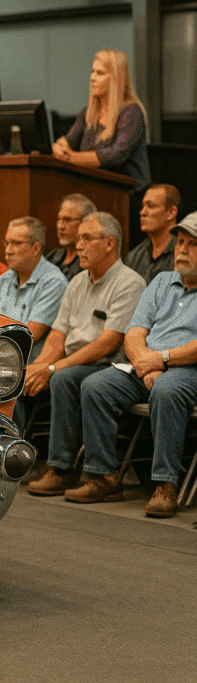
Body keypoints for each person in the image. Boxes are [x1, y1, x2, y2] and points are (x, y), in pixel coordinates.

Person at [65, 212, 197, 517]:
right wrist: (145, 363)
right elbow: (135, 333)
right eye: (181, 243)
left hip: (187, 369)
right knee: (95, 386)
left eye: (192, 245)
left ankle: (166, 484)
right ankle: (104, 476)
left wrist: (162, 360)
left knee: (166, 390)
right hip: (148, 363)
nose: (181, 250)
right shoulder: (163, 280)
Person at [25, 212, 147, 497]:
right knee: (47, 375)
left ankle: (89, 472)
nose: (78, 245)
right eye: (78, 238)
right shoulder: (78, 282)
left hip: (115, 366)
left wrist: (54, 369)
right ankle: (59, 469)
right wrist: (41, 366)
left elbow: (108, 342)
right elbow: (58, 335)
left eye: (87, 238)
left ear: (109, 244)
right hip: (77, 364)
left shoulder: (130, 283)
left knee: (65, 377)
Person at [52, 49, 151, 248]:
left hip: (127, 199)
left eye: (99, 73)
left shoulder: (131, 112)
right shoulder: (88, 113)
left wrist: (71, 158)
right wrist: (59, 148)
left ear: (115, 78)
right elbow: (65, 142)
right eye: (92, 71)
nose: (92, 78)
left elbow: (115, 155)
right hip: (94, 196)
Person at [0, 217, 69, 430]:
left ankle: (11, 448)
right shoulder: (5, 278)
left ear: (35, 248)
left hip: (27, 361)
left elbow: (29, 335)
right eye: (6, 243)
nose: (8, 250)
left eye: (16, 243)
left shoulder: (53, 281)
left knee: (0, 378)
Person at [125, 184, 180, 284]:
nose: (142, 212)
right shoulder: (134, 255)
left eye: (151, 206)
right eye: (143, 206)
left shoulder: (185, 252)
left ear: (171, 212)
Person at [44, 193, 96, 282]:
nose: (60, 226)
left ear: (86, 222)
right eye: (58, 219)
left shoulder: (92, 261)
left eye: (67, 220)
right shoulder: (52, 256)